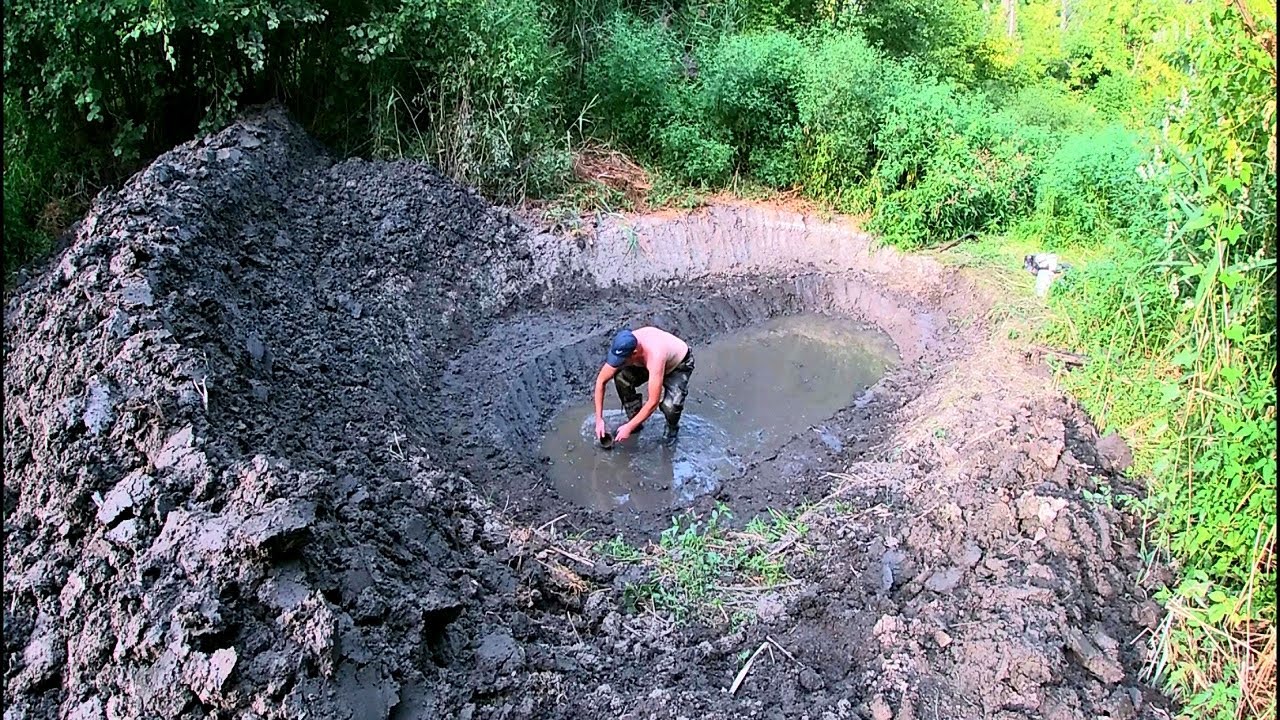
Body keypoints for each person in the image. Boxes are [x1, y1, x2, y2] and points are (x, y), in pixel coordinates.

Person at [592, 327, 695, 444]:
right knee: (621, 378)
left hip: (678, 365)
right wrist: (599, 419)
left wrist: (628, 427)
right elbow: (601, 381)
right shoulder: (624, 346)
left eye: (622, 361)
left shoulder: (655, 355)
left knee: (671, 406)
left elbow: (653, 402)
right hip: (648, 363)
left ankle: (672, 429)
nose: (619, 364)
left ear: (634, 354)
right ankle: (634, 419)